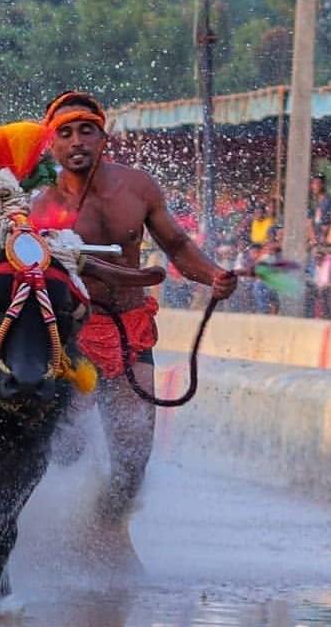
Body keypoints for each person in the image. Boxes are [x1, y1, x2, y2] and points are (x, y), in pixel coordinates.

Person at [30, 90, 237, 558]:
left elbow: (178, 247)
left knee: (132, 456)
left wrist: (214, 277)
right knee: (65, 450)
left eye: (87, 130)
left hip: (130, 327)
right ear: (52, 145)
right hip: (68, 335)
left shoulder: (138, 188)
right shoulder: (38, 206)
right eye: (65, 133)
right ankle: (48, 540)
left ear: (105, 138)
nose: (77, 141)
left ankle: (106, 532)